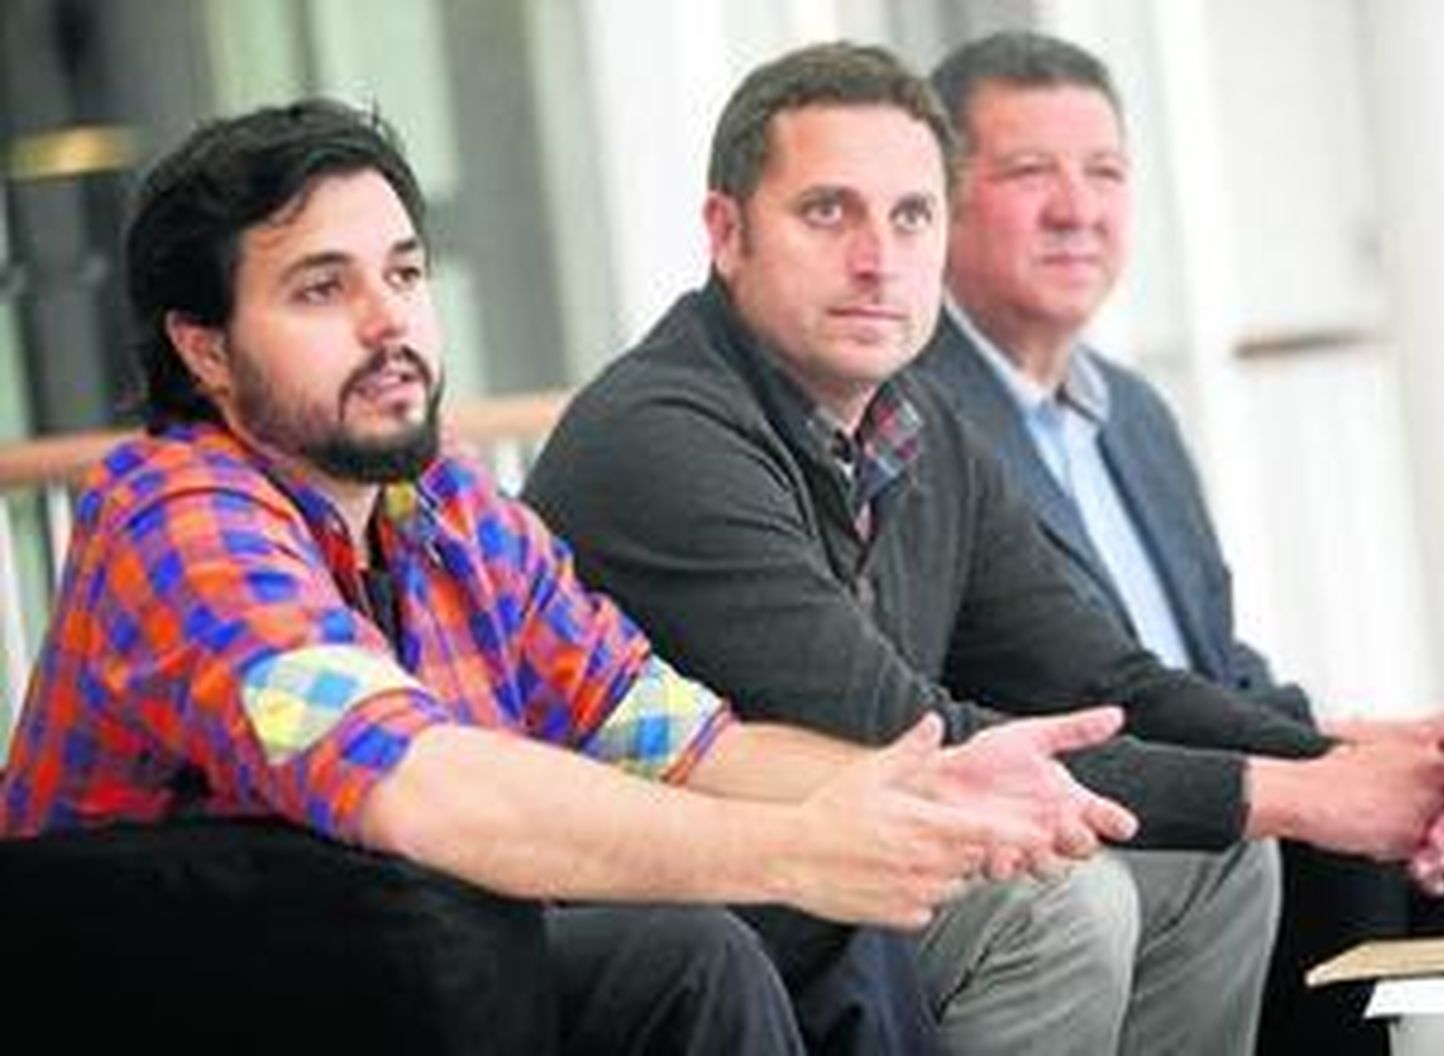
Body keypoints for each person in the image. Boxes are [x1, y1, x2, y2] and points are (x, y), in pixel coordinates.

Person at [0, 98, 1140, 1055]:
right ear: (205, 349)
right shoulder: (175, 520)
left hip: (416, 972)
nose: (388, 319)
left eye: (403, 271)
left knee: (821, 918)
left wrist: (917, 797)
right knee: (683, 947)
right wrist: (797, 848)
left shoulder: (443, 504)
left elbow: (680, 740)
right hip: (193, 1006)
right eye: (320, 289)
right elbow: (420, 783)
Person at [524, 40, 1444, 1055]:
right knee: (1058, 903)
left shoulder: (920, 425)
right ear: (726, 233)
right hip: (696, 895)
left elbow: (1101, 676)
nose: (877, 258)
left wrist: (1357, 769)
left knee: (1219, 862)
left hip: (869, 853)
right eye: (827, 212)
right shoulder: (658, 437)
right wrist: (1307, 794)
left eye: (910, 216)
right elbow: (897, 729)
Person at [914, 30, 1444, 1054]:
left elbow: (1214, 658)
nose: (1077, 209)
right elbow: (1038, 686)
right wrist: (1321, 772)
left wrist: (1367, 744)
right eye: (1029, 172)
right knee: (1336, 844)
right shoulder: (916, 416)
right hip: (1104, 802)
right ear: (940, 201)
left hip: (1218, 752)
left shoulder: (1128, 412)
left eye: (1106, 172)